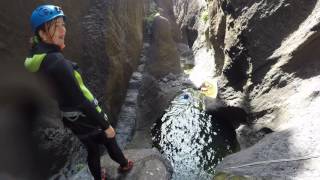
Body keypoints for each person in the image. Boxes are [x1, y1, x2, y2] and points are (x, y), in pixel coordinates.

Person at [25, 5, 133, 180]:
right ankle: (124, 164)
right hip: (85, 115)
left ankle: (99, 176)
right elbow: (82, 100)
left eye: (62, 24)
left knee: (91, 149)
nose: (63, 30)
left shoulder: (36, 59)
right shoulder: (57, 63)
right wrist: (106, 125)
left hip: (69, 116)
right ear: (43, 34)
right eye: (55, 26)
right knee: (109, 139)